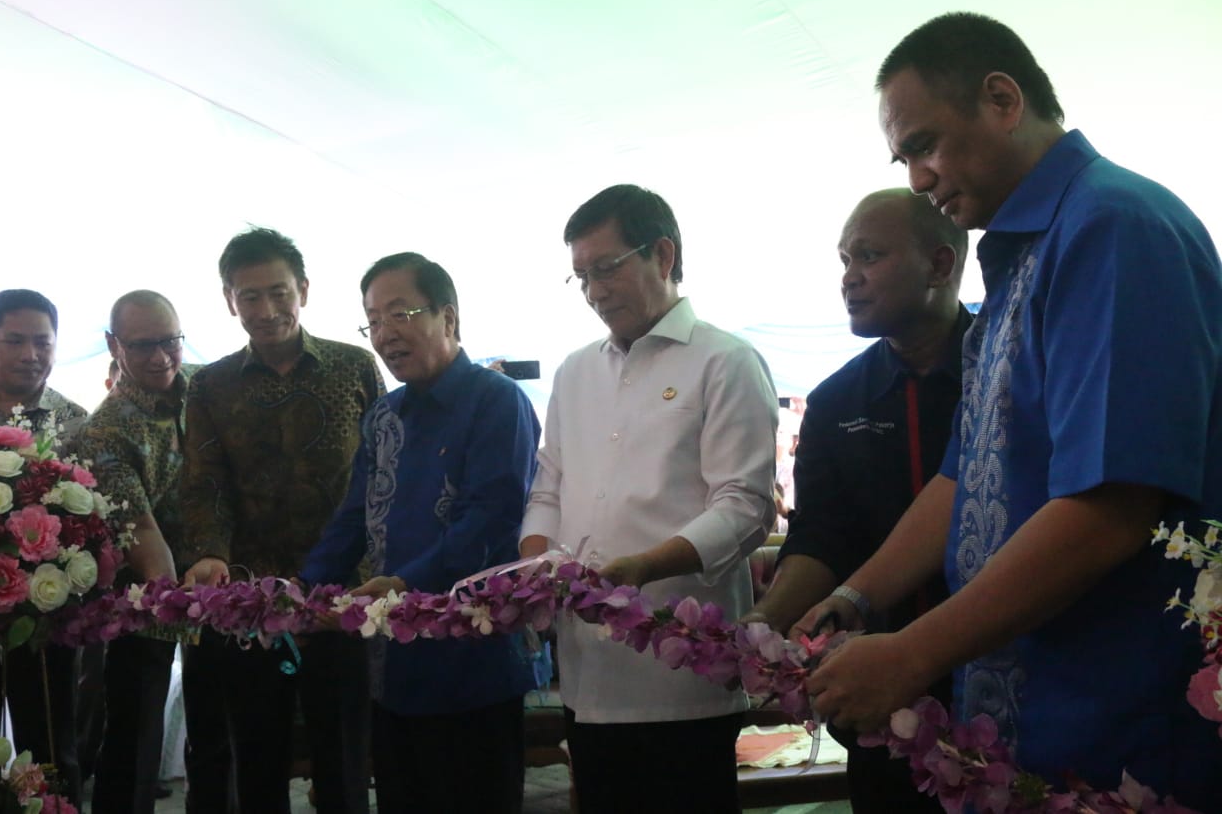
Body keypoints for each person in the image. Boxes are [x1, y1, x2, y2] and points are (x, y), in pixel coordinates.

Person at [799, 12, 1222, 807]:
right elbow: (963, 480)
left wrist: (911, 652)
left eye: (924, 144)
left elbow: (1110, 505)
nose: (918, 179)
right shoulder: (1020, 261)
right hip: (1035, 722)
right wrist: (855, 596)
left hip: (1119, 727)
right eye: (904, 158)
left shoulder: (1112, 227)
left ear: (1001, 99)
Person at [520, 184, 778, 814]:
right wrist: (531, 568)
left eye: (606, 269)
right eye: (580, 276)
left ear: (663, 254)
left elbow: (745, 505)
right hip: (588, 669)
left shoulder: (726, 361)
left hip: (682, 670)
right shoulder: (575, 371)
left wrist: (643, 568)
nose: (594, 292)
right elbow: (548, 484)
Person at [746, 189, 968, 813]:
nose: (849, 279)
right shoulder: (838, 400)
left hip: (1007, 679)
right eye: (843, 260)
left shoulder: (1009, 374)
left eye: (868, 256)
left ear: (941, 263)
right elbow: (820, 537)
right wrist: (766, 623)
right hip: (879, 697)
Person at [302, 252, 540, 813]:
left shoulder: (497, 402)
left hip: (474, 662)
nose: (385, 334)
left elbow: (490, 521)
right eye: (373, 320)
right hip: (395, 668)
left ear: (448, 317)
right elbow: (354, 516)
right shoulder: (384, 416)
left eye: (400, 313)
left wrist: (403, 584)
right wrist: (303, 588)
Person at [178, 228, 385, 814]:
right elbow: (205, 480)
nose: (266, 311)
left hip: (346, 594)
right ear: (228, 300)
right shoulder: (210, 385)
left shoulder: (354, 367)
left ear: (304, 290)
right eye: (249, 297)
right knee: (257, 753)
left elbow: (387, 467)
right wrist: (209, 552)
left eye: (278, 292)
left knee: (344, 754)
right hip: (252, 597)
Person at [75, 290, 221, 813]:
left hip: (221, 581)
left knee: (217, 727)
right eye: (142, 346)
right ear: (114, 345)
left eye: (170, 341)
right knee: (135, 732)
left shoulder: (209, 390)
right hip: (144, 593)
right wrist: (173, 597)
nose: (160, 358)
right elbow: (142, 531)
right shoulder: (104, 429)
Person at [0, 289, 88, 804]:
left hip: (43, 613)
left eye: (42, 343)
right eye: (14, 340)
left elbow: (89, 523)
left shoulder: (76, 422)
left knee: (50, 742)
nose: (31, 354)